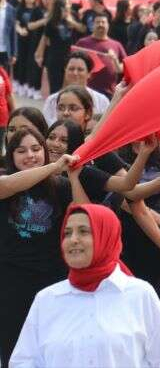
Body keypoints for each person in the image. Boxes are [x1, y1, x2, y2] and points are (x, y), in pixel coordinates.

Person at [9, 203, 160, 367]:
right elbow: (23, 361)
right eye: (67, 233)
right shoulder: (47, 299)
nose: (73, 239)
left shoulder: (140, 294)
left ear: (106, 237)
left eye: (84, 231)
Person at [0, 130, 84, 366]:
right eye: (21, 151)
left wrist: (73, 178)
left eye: (36, 149)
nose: (30, 155)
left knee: (52, 348)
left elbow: (84, 214)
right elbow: (7, 185)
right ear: (11, 156)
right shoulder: (6, 180)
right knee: (13, 348)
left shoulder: (60, 186)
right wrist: (53, 167)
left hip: (53, 279)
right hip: (11, 281)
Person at [42, 52, 110, 125]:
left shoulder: (102, 101)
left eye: (80, 70)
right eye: (71, 69)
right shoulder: (52, 101)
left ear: (89, 73)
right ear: (65, 70)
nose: (75, 73)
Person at [74, 14, 126, 97]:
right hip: (85, 91)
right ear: (93, 25)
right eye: (97, 22)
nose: (100, 25)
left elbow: (123, 67)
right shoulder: (82, 43)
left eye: (103, 22)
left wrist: (115, 60)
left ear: (108, 25)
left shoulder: (116, 45)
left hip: (109, 92)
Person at [0, 0, 17, 74]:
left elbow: (13, 33)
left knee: (4, 77)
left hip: (5, 51)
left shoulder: (11, 10)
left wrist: (14, 53)